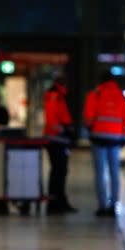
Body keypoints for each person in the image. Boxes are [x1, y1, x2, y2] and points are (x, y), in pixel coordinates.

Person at [84, 71, 125, 217]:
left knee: (100, 172)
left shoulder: (95, 94)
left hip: (98, 137)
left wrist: (90, 128)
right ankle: (113, 205)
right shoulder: (121, 96)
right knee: (114, 172)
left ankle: (102, 206)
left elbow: (88, 117)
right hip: (115, 138)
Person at [43, 75, 77, 214]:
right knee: (58, 171)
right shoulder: (54, 95)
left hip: (60, 139)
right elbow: (52, 119)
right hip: (56, 139)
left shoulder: (59, 95)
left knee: (60, 171)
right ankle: (55, 202)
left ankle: (59, 200)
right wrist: (64, 130)